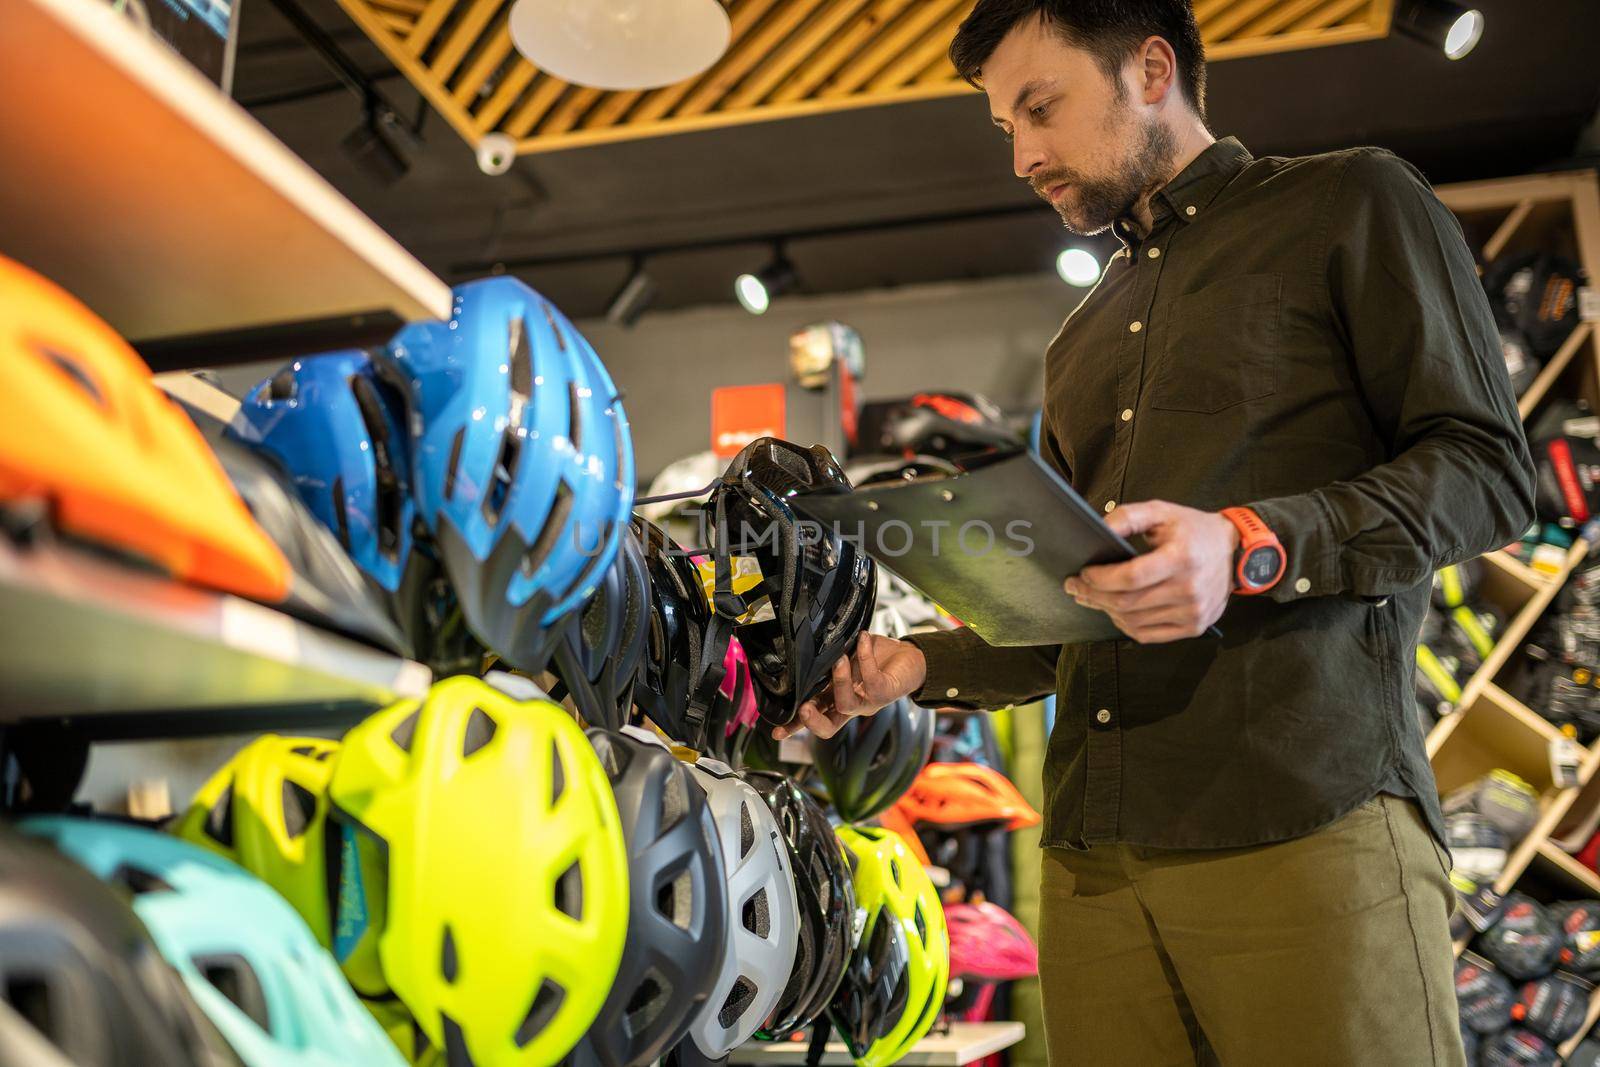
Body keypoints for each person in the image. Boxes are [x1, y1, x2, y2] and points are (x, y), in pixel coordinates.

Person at [774, 2, 1534, 1064]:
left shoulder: (1348, 200)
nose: (1024, 154)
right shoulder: (1078, 343)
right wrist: (915, 662)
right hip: (1093, 867)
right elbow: (1073, 615)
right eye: (1006, 127)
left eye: (1041, 107)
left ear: (1148, 68)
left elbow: (1491, 471)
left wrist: (1247, 542)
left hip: (1302, 825)